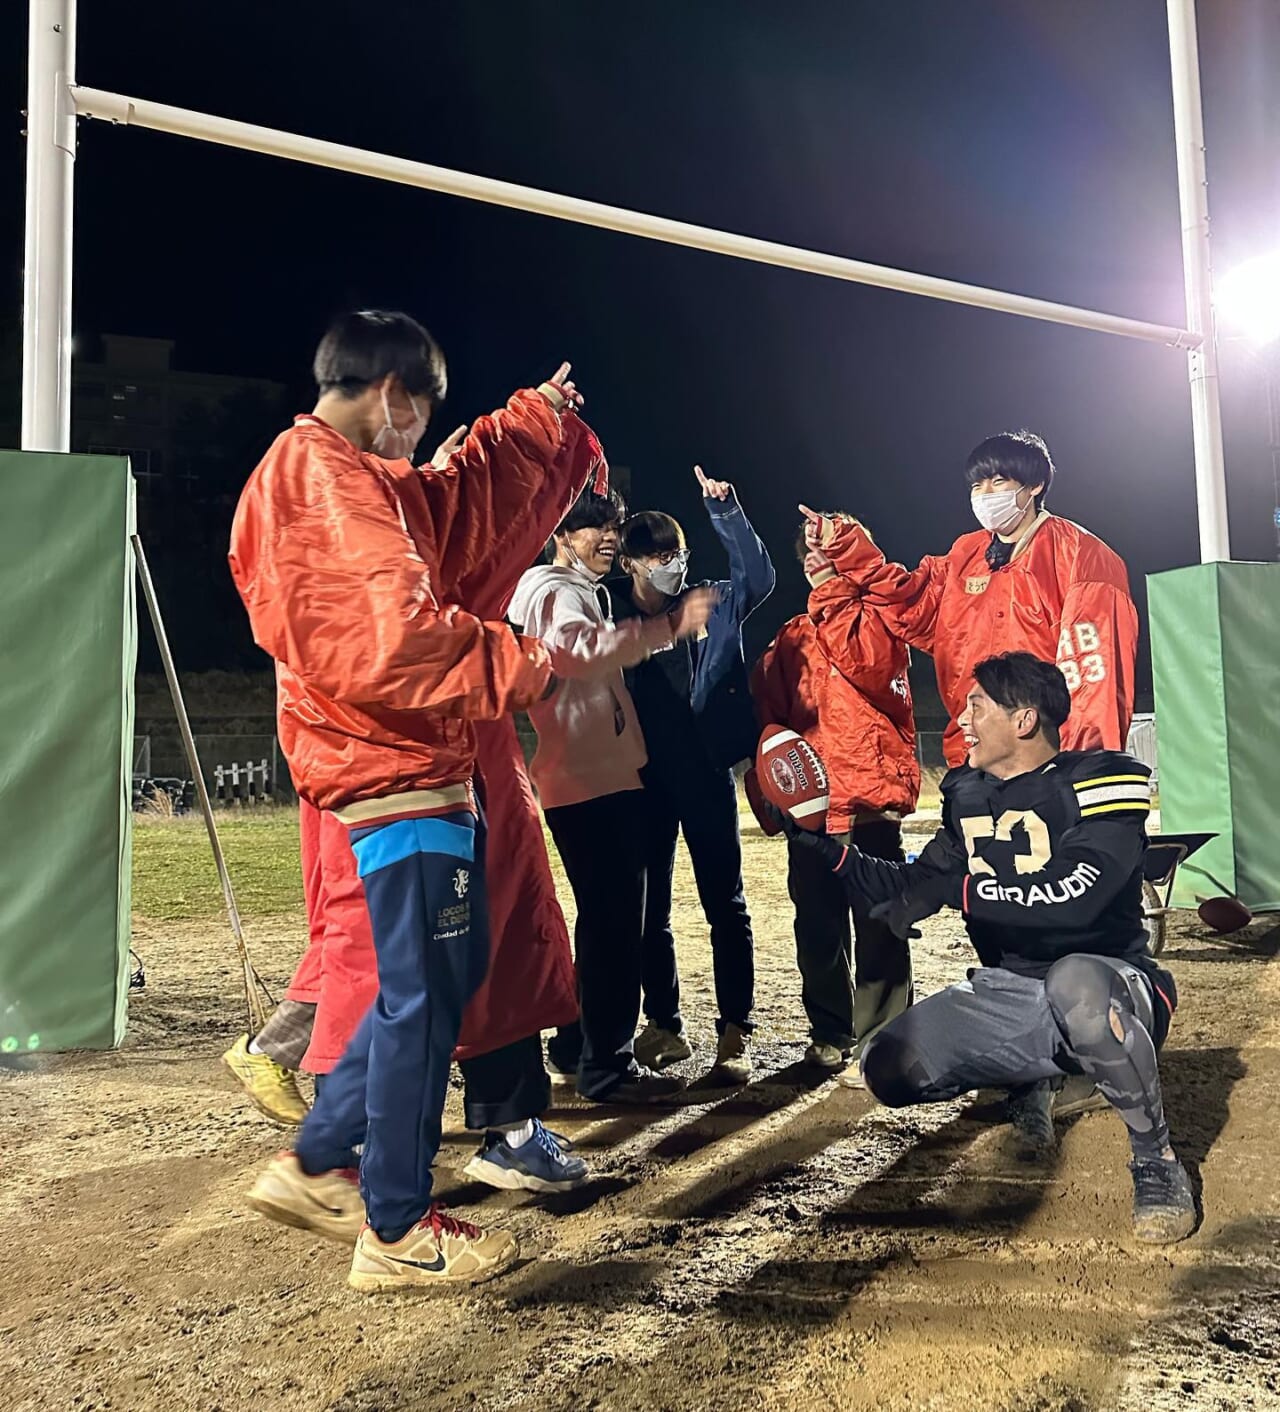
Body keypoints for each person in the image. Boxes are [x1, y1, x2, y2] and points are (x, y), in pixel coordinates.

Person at [229, 309, 590, 1293]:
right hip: (393, 776)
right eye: (420, 413)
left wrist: (531, 426)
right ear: (392, 396)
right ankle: (390, 1223)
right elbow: (392, 637)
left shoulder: (328, 477)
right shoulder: (325, 479)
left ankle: (316, 1164)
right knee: (423, 993)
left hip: (396, 770)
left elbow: (452, 512)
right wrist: (522, 661)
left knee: (426, 986)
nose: (419, 438)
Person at [770, 652, 1195, 1245]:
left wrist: (961, 888)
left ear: (1024, 720)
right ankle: (1044, 1076)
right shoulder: (969, 795)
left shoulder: (1101, 781)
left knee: (1075, 984)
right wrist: (824, 850)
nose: (962, 720)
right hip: (1010, 992)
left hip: (1110, 981)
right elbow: (914, 885)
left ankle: (1156, 1160)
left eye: (977, 706)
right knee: (887, 1069)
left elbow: (1075, 897)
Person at [507, 488, 716, 1104]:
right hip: (589, 778)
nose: (607, 535)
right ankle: (608, 1066)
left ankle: (576, 1047)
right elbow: (579, 653)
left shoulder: (573, 591)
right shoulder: (556, 591)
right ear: (561, 534)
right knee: (616, 926)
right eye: (592, 525)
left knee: (604, 923)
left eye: (613, 525)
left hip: (593, 774)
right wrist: (669, 626)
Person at [802, 430, 1138, 769]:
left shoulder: (1081, 556)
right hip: (969, 757)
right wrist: (844, 544)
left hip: (1044, 761)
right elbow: (906, 601)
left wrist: (1084, 770)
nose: (985, 494)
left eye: (998, 481)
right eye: (977, 486)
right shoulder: (965, 555)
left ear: (1034, 485)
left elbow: (1096, 679)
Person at [610, 466, 774, 1083]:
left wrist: (726, 511)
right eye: (655, 556)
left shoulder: (711, 598)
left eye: (675, 553)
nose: (669, 564)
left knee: (724, 902)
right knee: (650, 911)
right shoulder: (614, 613)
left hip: (705, 774)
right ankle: (665, 1024)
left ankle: (736, 1027)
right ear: (630, 563)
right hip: (642, 781)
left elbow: (758, 576)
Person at [751, 513, 919, 1073]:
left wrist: (834, 595)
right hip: (811, 811)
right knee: (816, 924)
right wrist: (769, 785)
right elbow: (771, 717)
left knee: (879, 923)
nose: (812, 559)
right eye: (806, 554)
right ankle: (830, 1029)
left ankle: (887, 1038)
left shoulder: (877, 622)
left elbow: (865, 665)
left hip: (868, 803)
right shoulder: (792, 635)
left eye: (824, 550)